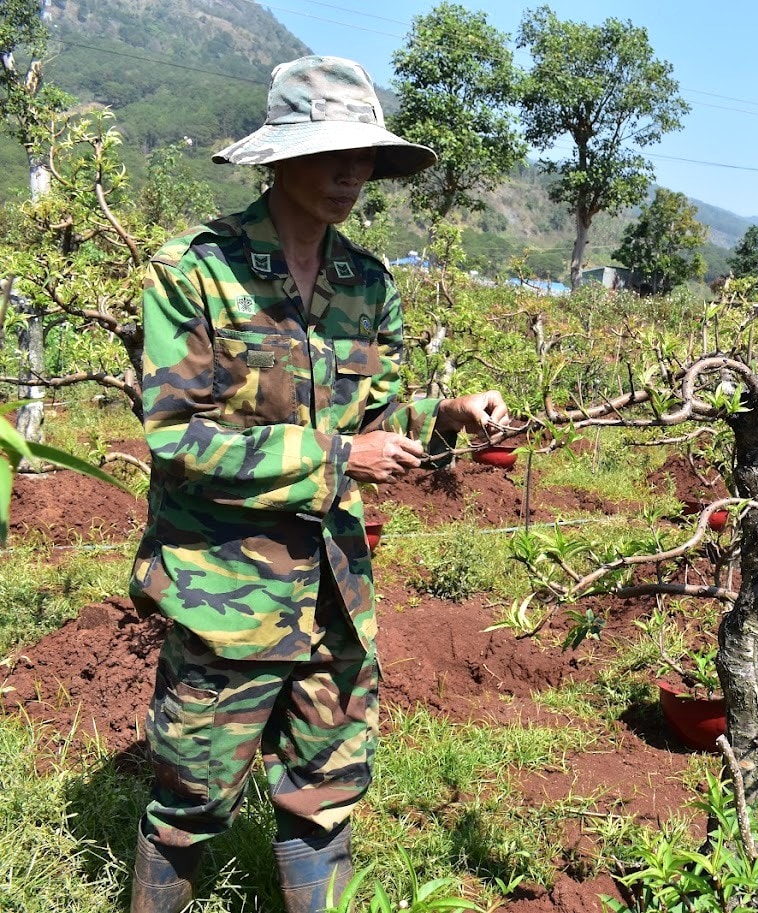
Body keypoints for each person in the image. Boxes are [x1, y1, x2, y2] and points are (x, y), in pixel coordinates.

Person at [127, 55, 509, 913]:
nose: (351, 171)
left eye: (363, 154)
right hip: (225, 592)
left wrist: (447, 415)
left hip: (334, 591)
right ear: (280, 157)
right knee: (190, 802)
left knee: (325, 794)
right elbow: (177, 435)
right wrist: (337, 460)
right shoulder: (195, 271)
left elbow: (380, 418)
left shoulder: (365, 284)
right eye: (331, 151)